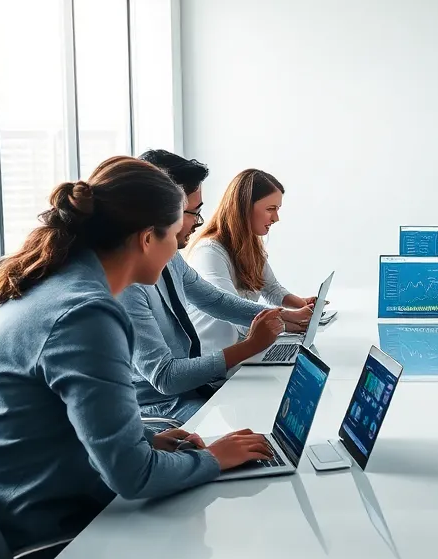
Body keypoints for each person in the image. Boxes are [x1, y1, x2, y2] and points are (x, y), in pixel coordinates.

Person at [0, 156, 276, 556]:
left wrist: (147, 438)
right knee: (219, 547)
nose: (178, 247)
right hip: (37, 527)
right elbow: (133, 476)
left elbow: (58, 415)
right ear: (146, 239)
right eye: (174, 234)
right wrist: (212, 458)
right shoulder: (88, 314)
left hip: (5, 501)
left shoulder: (52, 281)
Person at [121, 150, 311, 425]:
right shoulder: (128, 281)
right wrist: (251, 345)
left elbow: (215, 300)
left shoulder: (170, 257)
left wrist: (285, 316)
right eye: (191, 213)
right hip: (164, 406)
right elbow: (164, 377)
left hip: (195, 387)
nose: (197, 222)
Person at [186, 169, 318, 351]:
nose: (276, 218)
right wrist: (288, 319)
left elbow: (271, 289)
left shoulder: (251, 247)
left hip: (241, 349)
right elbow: (232, 310)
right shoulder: (209, 252)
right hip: (215, 359)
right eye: (270, 209)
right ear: (244, 207)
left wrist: (303, 305)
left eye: (277, 209)